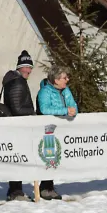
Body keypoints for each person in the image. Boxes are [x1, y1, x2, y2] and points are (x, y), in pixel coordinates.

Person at [34, 67, 77, 201]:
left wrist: (72, 111)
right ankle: (45, 188)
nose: (67, 80)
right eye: (65, 78)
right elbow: (44, 109)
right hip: (47, 130)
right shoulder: (45, 92)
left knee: (58, 157)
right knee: (49, 156)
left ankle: (50, 186)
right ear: (56, 80)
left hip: (64, 129)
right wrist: (65, 111)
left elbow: (73, 106)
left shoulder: (66, 91)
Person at [2, 50, 37, 202]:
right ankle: (16, 192)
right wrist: (33, 112)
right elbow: (17, 109)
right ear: (19, 67)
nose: (28, 70)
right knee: (17, 159)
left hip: (14, 126)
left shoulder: (14, 81)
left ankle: (15, 190)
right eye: (26, 67)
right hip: (17, 126)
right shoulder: (17, 82)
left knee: (16, 158)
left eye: (30, 67)